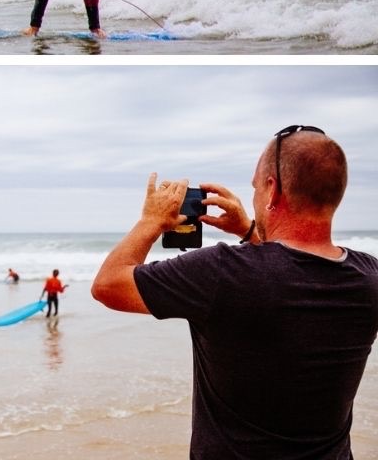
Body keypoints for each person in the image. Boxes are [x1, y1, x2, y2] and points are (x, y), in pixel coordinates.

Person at [91, 127, 378, 459]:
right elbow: (292, 268)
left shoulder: (220, 272)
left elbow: (108, 285)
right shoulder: (368, 279)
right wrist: (249, 230)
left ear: (272, 191)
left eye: (256, 186)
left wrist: (150, 221)